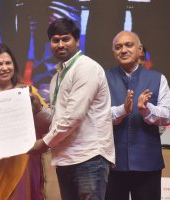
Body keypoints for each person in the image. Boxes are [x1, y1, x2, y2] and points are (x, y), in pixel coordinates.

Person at [29, 17, 115, 200]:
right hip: (66, 158)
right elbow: (58, 118)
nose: (60, 44)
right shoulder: (57, 77)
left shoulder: (86, 68)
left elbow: (73, 118)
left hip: (89, 158)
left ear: (77, 40)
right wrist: (38, 109)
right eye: (55, 40)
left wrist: (43, 143)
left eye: (65, 39)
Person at [0, 43, 52, 200]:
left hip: (25, 165)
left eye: (8, 63)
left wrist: (38, 107)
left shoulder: (29, 93)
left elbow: (48, 124)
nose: (4, 68)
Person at [105, 31, 170, 200]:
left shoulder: (158, 78)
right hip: (112, 163)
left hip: (148, 163)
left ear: (140, 49)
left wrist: (146, 110)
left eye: (129, 45)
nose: (123, 50)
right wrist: (122, 110)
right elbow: (97, 116)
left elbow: (167, 115)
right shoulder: (103, 78)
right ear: (113, 52)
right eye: (118, 47)